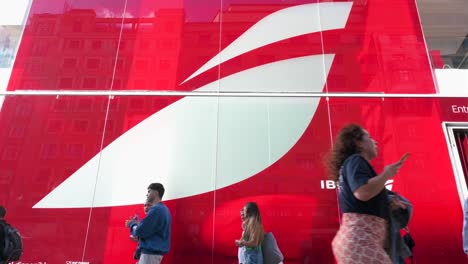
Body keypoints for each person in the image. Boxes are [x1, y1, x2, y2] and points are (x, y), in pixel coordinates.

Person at [328, 124, 408, 264]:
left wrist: (388, 204)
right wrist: (387, 174)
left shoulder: (352, 164)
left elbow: (362, 200)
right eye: (369, 137)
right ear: (358, 143)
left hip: (357, 242)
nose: (375, 141)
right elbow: (362, 192)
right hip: (361, 241)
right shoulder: (356, 160)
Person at [126, 183, 171, 264]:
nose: (147, 194)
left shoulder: (157, 210)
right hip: (153, 255)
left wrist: (132, 224)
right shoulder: (164, 210)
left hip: (149, 255)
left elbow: (140, 231)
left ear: (156, 193)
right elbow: (152, 233)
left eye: (149, 191)